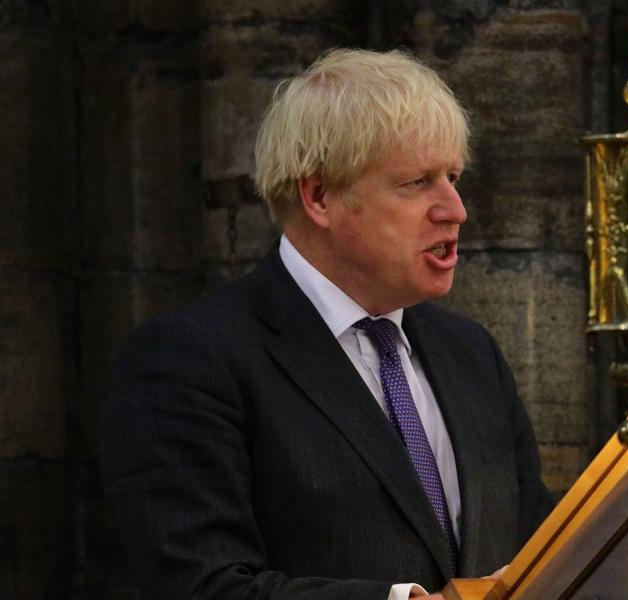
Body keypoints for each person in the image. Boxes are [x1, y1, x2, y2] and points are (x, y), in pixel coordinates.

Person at [101, 48, 554, 600]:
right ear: (319, 196)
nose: (455, 208)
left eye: (453, 177)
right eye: (417, 182)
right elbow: (198, 585)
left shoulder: (471, 353)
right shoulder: (190, 358)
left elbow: (542, 552)